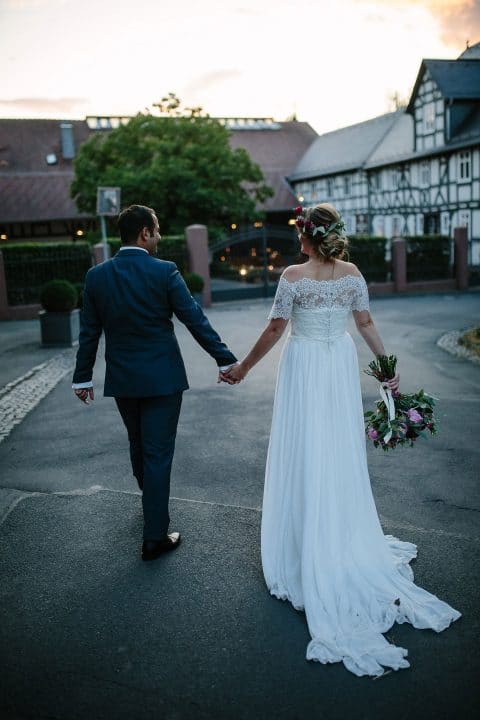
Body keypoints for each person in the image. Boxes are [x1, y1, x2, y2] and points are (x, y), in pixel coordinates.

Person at [222, 202, 461, 677]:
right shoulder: (351, 272)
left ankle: (306, 541)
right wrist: (387, 371)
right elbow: (366, 323)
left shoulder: (292, 275)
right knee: (336, 449)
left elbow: (275, 328)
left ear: (306, 235)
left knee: (307, 448)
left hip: (307, 364)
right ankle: (338, 533)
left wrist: (244, 367)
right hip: (336, 366)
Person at [73, 205, 237, 562]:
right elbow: (193, 318)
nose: (160, 236)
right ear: (145, 233)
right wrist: (224, 358)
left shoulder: (96, 276)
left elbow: (89, 332)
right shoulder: (164, 271)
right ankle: (155, 536)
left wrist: (82, 377)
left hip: (124, 379)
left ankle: (153, 506)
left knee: (138, 443)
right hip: (163, 379)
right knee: (158, 452)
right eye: (158, 230)